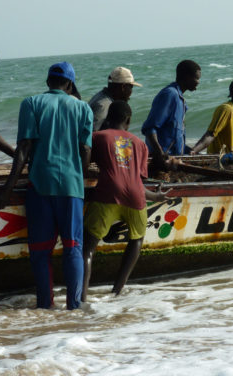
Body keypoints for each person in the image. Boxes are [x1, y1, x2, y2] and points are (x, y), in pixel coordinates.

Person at [0, 62, 92, 310]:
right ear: (69, 84)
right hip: (71, 186)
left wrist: (7, 188)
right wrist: (80, 176)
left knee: (40, 251)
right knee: (73, 248)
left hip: (39, 185)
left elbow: (23, 149)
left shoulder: (31, 104)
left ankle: (45, 307)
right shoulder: (83, 108)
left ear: (48, 81)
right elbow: (86, 150)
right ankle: (74, 307)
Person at [82, 101, 168, 301]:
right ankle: (117, 291)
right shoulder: (139, 144)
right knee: (136, 239)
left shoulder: (98, 137)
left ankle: (82, 297)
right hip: (136, 198)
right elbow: (135, 181)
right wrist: (156, 197)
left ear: (107, 119)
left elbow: (85, 163)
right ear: (128, 121)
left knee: (87, 248)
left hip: (108, 195)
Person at [141, 59, 201, 168]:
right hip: (162, 161)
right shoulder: (170, 95)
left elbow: (175, 136)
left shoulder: (181, 100)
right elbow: (150, 128)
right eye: (197, 78)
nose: (198, 82)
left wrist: (188, 150)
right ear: (187, 77)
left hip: (174, 160)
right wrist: (159, 152)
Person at [191, 78, 233, 154]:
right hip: (218, 161)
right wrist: (193, 151)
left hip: (229, 160)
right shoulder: (227, 109)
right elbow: (210, 135)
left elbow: (229, 146)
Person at [89, 66, 142, 131]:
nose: (131, 92)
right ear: (123, 87)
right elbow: (95, 135)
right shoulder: (105, 106)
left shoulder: (100, 96)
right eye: (130, 87)